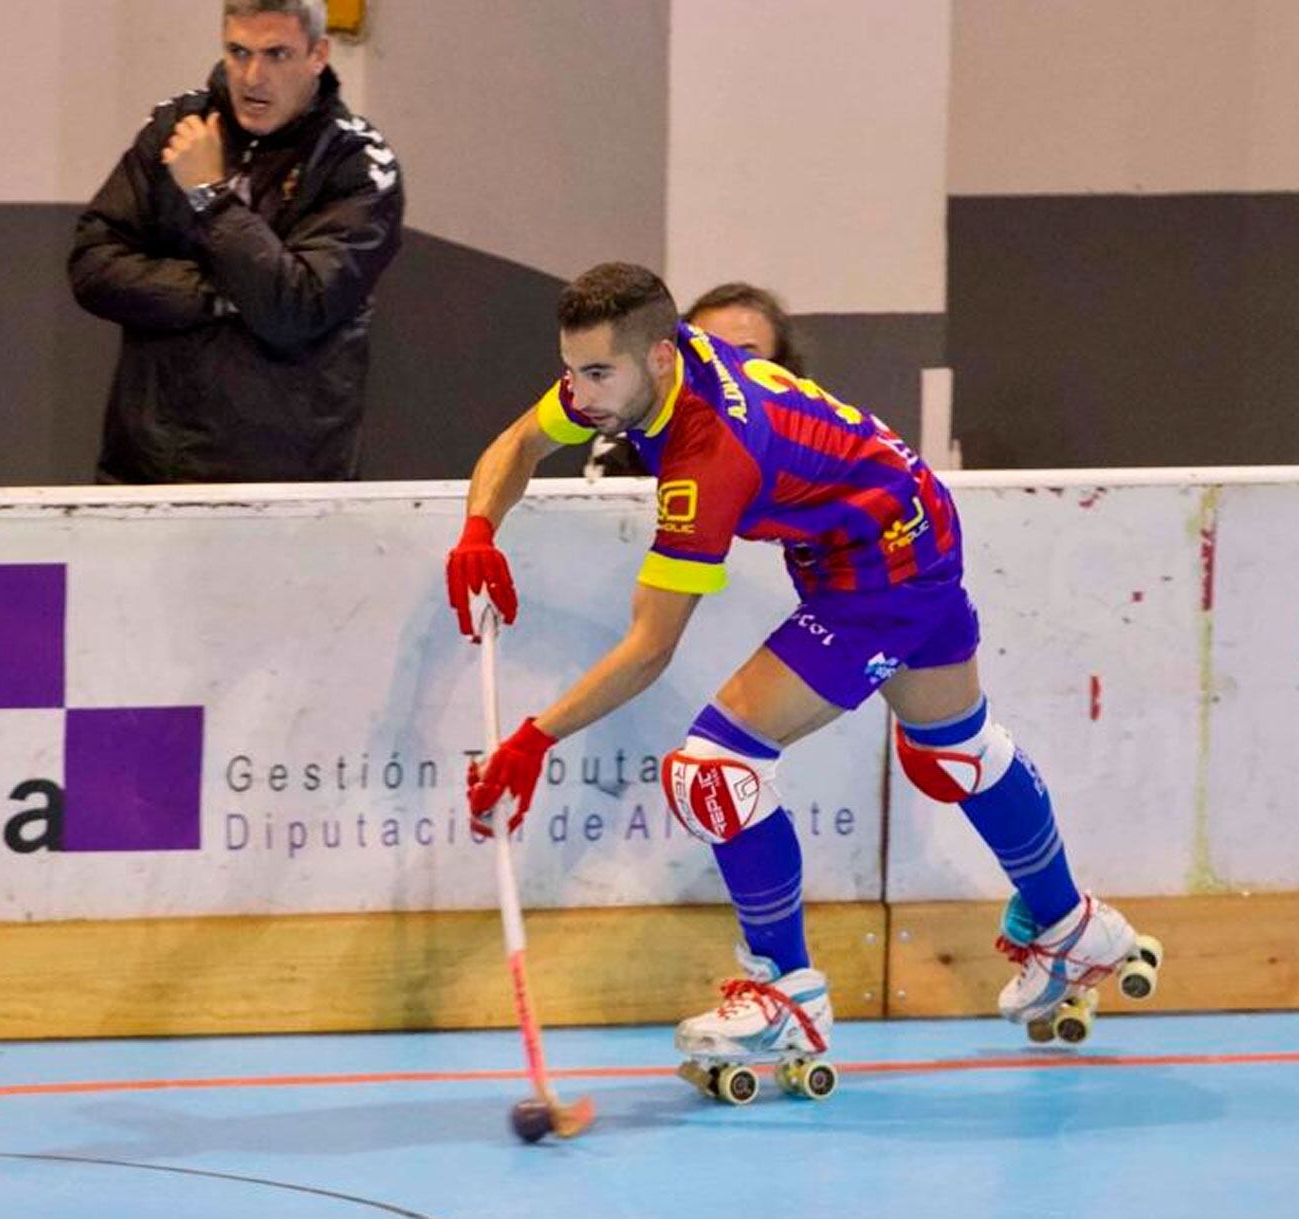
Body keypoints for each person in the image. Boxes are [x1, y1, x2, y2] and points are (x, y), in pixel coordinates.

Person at [447, 262, 1159, 1080]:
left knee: (713, 767)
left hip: (882, 564)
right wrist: (478, 531)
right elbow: (520, 442)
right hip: (896, 520)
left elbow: (650, 646)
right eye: (572, 370)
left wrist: (535, 740)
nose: (580, 393)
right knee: (954, 750)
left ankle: (787, 993)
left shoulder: (709, 454)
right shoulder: (636, 372)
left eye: (597, 373)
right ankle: (1073, 930)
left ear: (661, 359)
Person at [68, 0, 404, 484]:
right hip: (143, 470)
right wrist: (219, 296)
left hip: (283, 489)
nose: (252, 77)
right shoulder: (176, 129)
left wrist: (211, 196)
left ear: (318, 55)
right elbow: (92, 264)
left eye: (277, 55)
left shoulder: (357, 165)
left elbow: (295, 310)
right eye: (238, 51)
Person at [588, 282, 804, 478]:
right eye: (707, 355)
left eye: (745, 359)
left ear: (783, 373)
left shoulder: (817, 452)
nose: (724, 375)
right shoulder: (625, 449)